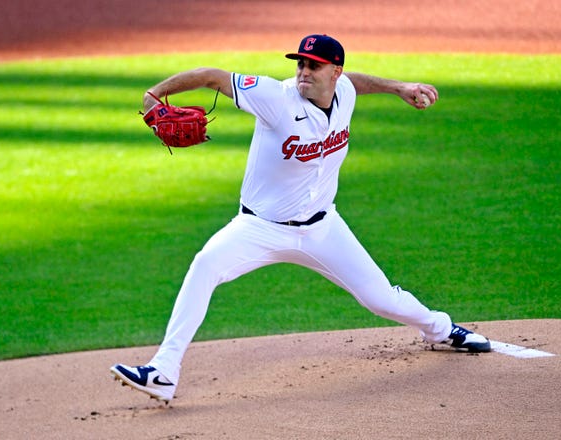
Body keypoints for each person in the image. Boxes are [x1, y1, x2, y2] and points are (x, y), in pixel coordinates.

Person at [111, 34, 491, 403]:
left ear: (335, 72)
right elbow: (212, 75)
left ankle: (441, 330)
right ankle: (163, 371)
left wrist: (398, 87)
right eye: (301, 63)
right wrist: (154, 95)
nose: (304, 71)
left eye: (315, 65)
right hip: (259, 228)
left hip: (323, 230)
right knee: (205, 265)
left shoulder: (344, 93)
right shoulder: (274, 97)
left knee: (382, 300)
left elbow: (355, 84)